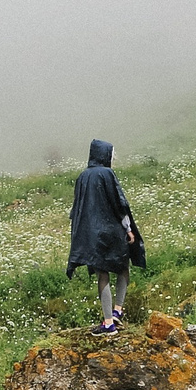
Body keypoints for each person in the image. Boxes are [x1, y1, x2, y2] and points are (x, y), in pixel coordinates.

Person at [67, 138, 141, 334]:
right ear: (104, 155)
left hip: (92, 234)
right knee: (122, 266)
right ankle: (117, 311)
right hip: (112, 231)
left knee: (102, 274)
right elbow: (119, 203)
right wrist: (128, 228)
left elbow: (77, 209)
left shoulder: (83, 177)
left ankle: (108, 322)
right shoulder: (107, 174)